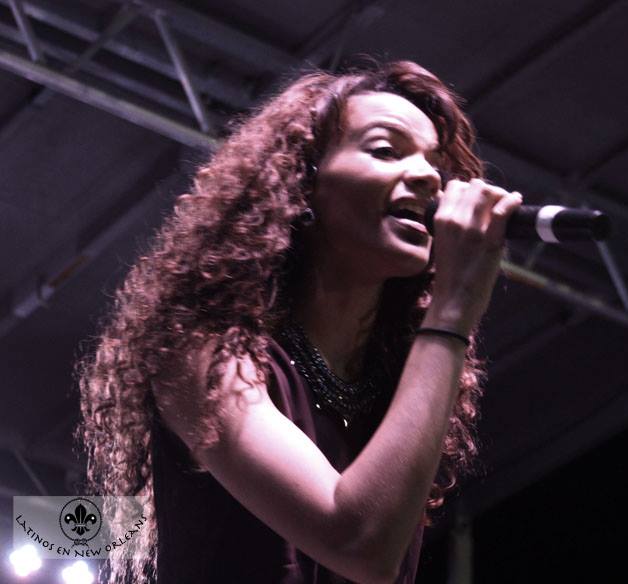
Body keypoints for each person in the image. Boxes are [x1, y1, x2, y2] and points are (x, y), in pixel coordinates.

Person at [76, 60, 522, 583]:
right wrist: (452, 311)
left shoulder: (395, 379)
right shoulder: (203, 355)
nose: (428, 178)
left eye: (437, 166)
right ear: (302, 181)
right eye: (386, 150)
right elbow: (358, 543)